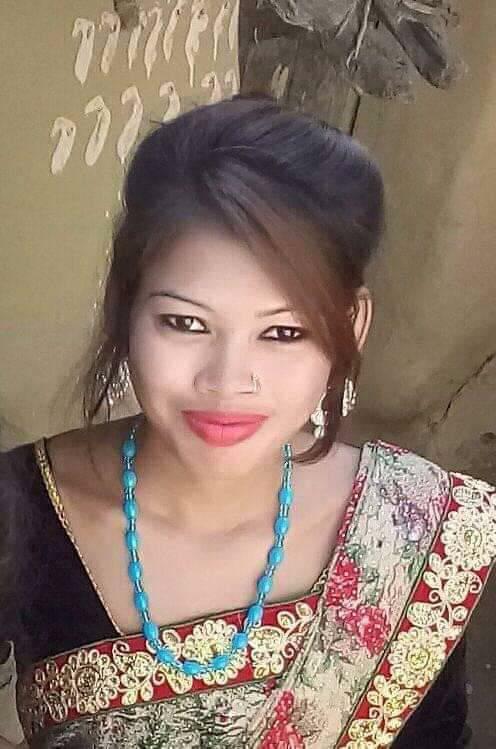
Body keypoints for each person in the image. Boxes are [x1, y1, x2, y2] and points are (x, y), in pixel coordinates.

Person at [0, 96, 494, 748]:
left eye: (284, 332)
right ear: (125, 308)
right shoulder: (20, 506)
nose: (229, 380)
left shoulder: (416, 536)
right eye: (185, 322)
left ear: (352, 326)